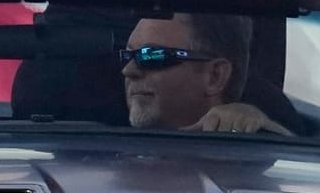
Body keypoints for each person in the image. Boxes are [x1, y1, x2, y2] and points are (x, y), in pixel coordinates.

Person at [121, 13, 286, 134]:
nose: (128, 70)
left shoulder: (245, 165)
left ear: (215, 76)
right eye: (128, 56)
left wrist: (256, 131)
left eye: (152, 55)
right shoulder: (100, 144)